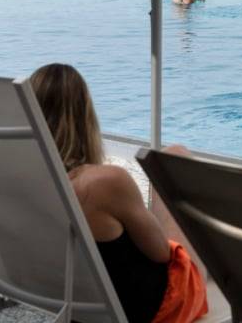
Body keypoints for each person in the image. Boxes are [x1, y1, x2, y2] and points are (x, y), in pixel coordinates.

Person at [29, 63, 209, 323]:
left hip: (72, 299)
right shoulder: (104, 183)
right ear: (85, 117)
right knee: (176, 156)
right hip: (145, 308)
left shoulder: (23, 181)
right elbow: (161, 253)